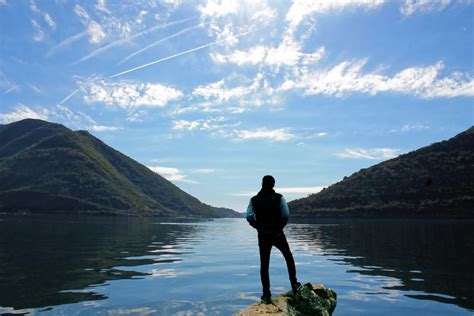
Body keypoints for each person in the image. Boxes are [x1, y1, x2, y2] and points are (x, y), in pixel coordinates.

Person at [246, 175, 301, 304]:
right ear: (273, 185)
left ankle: (266, 294)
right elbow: (286, 214)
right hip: (277, 234)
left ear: (262, 183)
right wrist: (279, 227)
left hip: (263, 235)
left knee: (264, 264)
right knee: (288, 256)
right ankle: (294, 284)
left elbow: (248, 216)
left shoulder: (254, 199)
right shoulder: (279, 198)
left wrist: (257, 226)